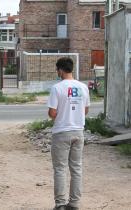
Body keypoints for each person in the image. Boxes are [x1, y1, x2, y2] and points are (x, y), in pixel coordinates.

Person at [47, 57, 90, 210]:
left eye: (57, 70)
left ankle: (60, 204)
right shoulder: (83, 87)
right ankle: (74, 203)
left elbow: (52, 112)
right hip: (79, 132)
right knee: (76, 168)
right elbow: (85, 110)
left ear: (60, 70)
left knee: (60, 168)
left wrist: (59, 114)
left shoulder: (57, 88)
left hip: (61, 132)